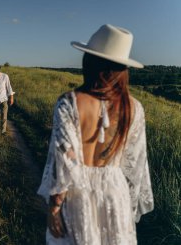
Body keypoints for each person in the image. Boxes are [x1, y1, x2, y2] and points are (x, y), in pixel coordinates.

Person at [37, 24, 154, 244]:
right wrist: (126, 204)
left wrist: (54, 207)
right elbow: (135, 163)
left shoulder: (69, 102)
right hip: (115, 191)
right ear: (123, 69)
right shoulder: (134, 108)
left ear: (89, 62)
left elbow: (65, 161)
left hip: (78, 194)